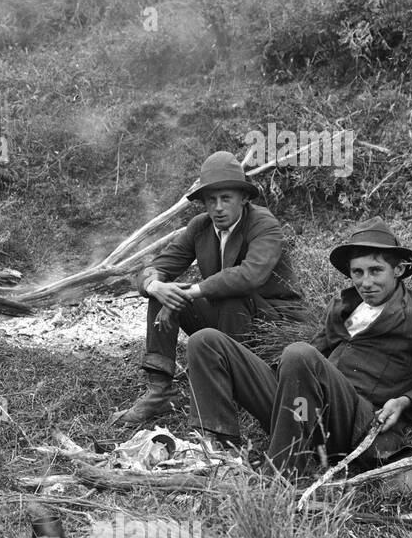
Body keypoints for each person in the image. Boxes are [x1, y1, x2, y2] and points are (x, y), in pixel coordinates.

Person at [184, 219, 412, 473]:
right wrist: (260, 380)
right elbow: (310, 357)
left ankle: (285, 472)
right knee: (206, 340)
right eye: (358, 272)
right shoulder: (344, 306)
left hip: (354, 423)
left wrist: (404, 401)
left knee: (299, 354)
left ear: (398, 269)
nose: (366, 282)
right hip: (302, 411)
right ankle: (222, 454)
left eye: (376, 271)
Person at [116, 150, 305, 426]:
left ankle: (227, 392)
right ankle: (159, 392)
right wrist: (155, 285)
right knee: (163, 294)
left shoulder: (264, 225)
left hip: (275, 325)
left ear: (244, 198)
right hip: (229, 322)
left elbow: (249, 276)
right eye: (211, 200)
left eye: (226, 198)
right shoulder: (201, 227)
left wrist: (190, 292)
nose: (218, 207)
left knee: (230, 295)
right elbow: (156, 267)